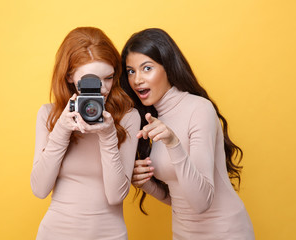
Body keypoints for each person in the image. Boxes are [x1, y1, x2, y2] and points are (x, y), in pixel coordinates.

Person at [120, 28, 255, 239]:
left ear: (168, 67)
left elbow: (201, 202)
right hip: (184, 233)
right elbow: (180, 198)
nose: (137, 79)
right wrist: (145, 183)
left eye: (147, 68)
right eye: (131, 71)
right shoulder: (150, 119)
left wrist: (174, 143)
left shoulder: (200, 110)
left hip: (224, 231)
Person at [30, 27, 140, 240]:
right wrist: (61, 130)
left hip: (110, 235)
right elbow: (39, 189)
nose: (101, 89)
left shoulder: (128, 117)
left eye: (107, 78)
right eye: (90, 81)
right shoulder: (49, 115)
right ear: (70, 76)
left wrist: (108, 136)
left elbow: (116, 195)